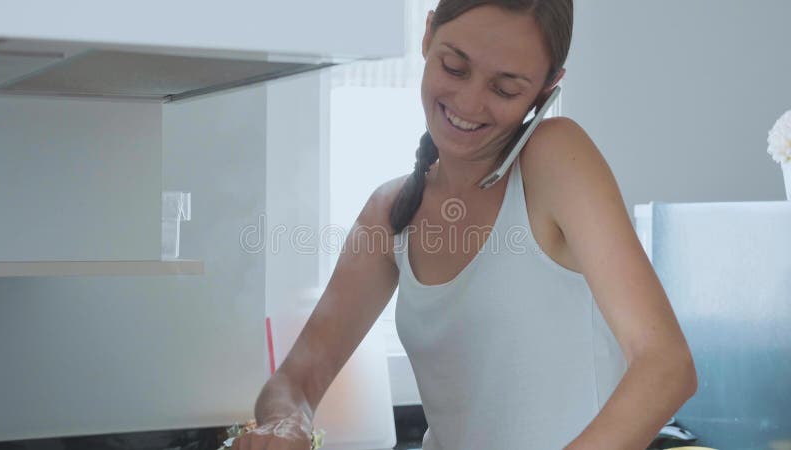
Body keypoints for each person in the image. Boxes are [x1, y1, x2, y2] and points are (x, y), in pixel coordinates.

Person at [233, 1, 698, 449]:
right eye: (455, 67)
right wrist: (287, 424)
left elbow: (666, 365)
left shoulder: (556, 159)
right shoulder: (391, 212)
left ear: (547, 87)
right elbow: (295, 381)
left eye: (505, 88)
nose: (469, 102)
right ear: (428, 34)